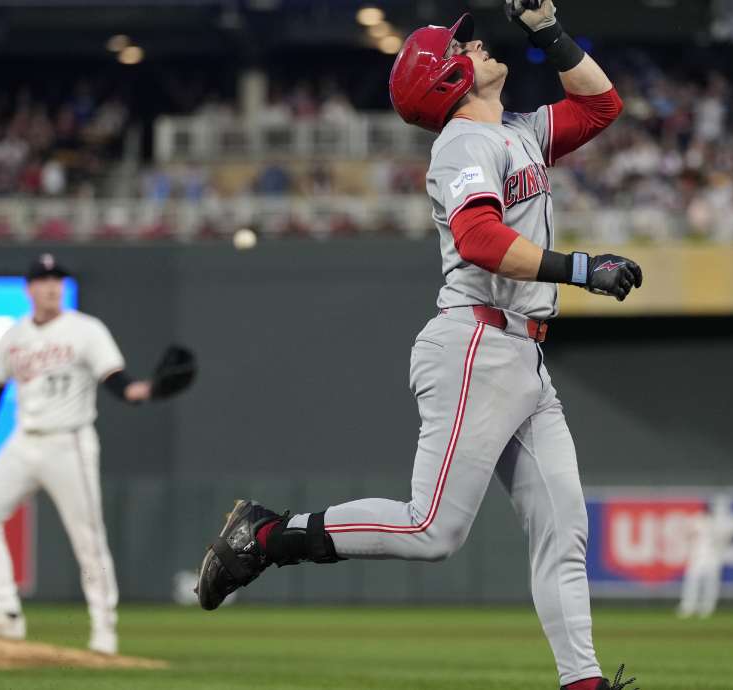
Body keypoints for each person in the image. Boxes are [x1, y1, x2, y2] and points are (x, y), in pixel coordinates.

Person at [194, 3, 642, 689]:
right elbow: (480, 241)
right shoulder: (464, 145)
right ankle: (266, 536)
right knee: (433, 529)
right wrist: (581, 268)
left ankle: (582, 682)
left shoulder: (518, 130)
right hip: (477, 343)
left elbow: (602, 105)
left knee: (564, 528)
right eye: (459, 43)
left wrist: (548, 30)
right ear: (449, 77)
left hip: (521, 353)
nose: (475, 41)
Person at [0, 254, 152, 654]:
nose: (52, 286)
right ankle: (8, 614)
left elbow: (114, 378)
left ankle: (104, 629)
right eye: (44, 280)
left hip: (70, 442)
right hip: (24, 441)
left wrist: (135, 392)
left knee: (88, 538)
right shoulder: (14, 336)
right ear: (29, 289)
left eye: (57, 279)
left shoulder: (85, 329)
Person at [677, 495, 729, 619]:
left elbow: (725, 539)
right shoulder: (698, 520)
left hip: (711, 557)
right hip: (698, 556)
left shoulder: (717, 522)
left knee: (710, 584)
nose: (707, 511)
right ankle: (688, 607)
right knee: (692, 583)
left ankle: (706, 608)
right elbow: (687, 534)